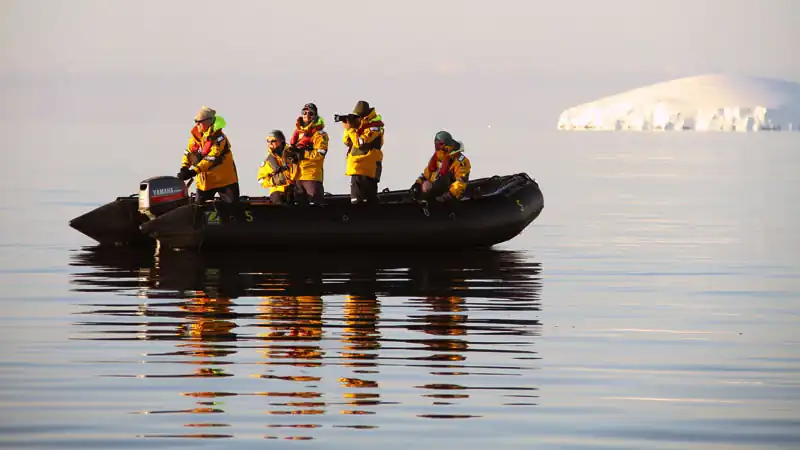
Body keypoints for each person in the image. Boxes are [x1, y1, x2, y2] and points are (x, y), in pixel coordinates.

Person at [178, 106, 240, 203]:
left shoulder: (219, 138)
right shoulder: (194, 138)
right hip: (205, 184)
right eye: (196, 121)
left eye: (200, 122)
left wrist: (193, 172)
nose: (197, 124)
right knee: (198, 207)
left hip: (225, 181)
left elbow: (211, 158)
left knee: (233, 207)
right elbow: (188, 153)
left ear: (209, 122)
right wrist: (184, 167)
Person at [341, 100, 385, 204]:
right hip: (357, 169)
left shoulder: (375, 127)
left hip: (368, 169)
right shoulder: (358, 129)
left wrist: (351, 129)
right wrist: (348, 128)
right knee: (356, 202)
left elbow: (360, 143)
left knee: (368, 202)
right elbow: (347, 142)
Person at [410, 130, 471, 202]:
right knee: (423, 187)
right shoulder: (437, 158)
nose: (437, 146)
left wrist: (450, 194)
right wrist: (418, 183)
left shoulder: (460, 160)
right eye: (436, 144)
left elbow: (461, 181)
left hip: (451, 195)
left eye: (440, 144)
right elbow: (427, 174)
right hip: (436, 191)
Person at [290, 103, 329, 205]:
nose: (307, 115)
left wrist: (302, 153)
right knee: (299, 209)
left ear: (315, 116)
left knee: (315, 208)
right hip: (297, 176)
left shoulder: (320, 134)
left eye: (310, 113)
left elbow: (320, 154)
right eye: (304, 112)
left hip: (312, 176)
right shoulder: (298, 133)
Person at [257, 130, 302, 205]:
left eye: (273, 141)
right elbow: (261, 180)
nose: (270, 143)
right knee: (278, 204)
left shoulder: (293, 154)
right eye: (268, 141)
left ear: (281, 141)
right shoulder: (268, 161)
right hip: (277, 190)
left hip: (294, 189)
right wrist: (273, 181)